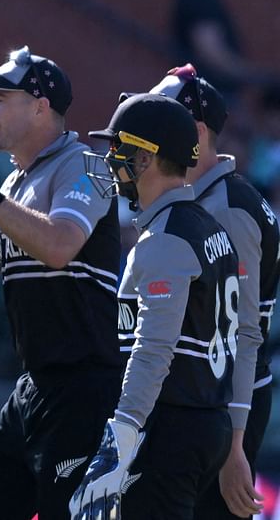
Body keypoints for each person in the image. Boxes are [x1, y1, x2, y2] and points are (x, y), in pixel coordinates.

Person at [0, 46, 122, 520]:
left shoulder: (88, 164)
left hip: (84, 390)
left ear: (39, 105)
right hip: (32, 388)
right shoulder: (14, 184)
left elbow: (58, 246)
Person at [70, 93, 239, 519]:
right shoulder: (207, 225)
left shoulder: (164, 239)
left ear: (145, 158)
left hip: (172, 425)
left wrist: (121, 437)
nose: (109, 160)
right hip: (207, 419)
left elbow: (153, 350)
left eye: (117, 148)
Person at [142, 64, 280, 519]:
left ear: (196, 132)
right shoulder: (203, 198)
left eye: (160, 120)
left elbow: (243, 335)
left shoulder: (228, 208)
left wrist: (235, 444)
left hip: (224, 404)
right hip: (204, 395)